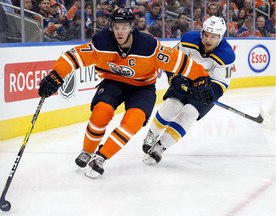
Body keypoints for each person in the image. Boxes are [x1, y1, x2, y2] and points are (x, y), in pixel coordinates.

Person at [38, 7, 210, 179]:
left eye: (124, 27)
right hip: (113, 83)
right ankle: (88, 151)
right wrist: (55, 76)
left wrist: (201, 78)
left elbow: (181, 63)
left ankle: (101, 157)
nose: (120, 32)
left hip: (143, 88)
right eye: (117, 27)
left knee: (133, 121)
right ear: (111, 27)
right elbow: (72, 57)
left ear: (131, 27)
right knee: (100, 114)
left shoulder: (148, 46)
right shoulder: (102, 43)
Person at [142, 16, 236, 165]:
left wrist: (208, 92)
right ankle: (152, 134)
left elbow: (221, 83)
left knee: (189, 114)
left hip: (206, 86)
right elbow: (170, 60)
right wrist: (175, 78)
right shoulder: (188, 40)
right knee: (171, 106)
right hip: (184, 78)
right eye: (206, 34)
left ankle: (161, 147)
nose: (208, 39)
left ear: (221, 36)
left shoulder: (226, 54)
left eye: (213, 36)